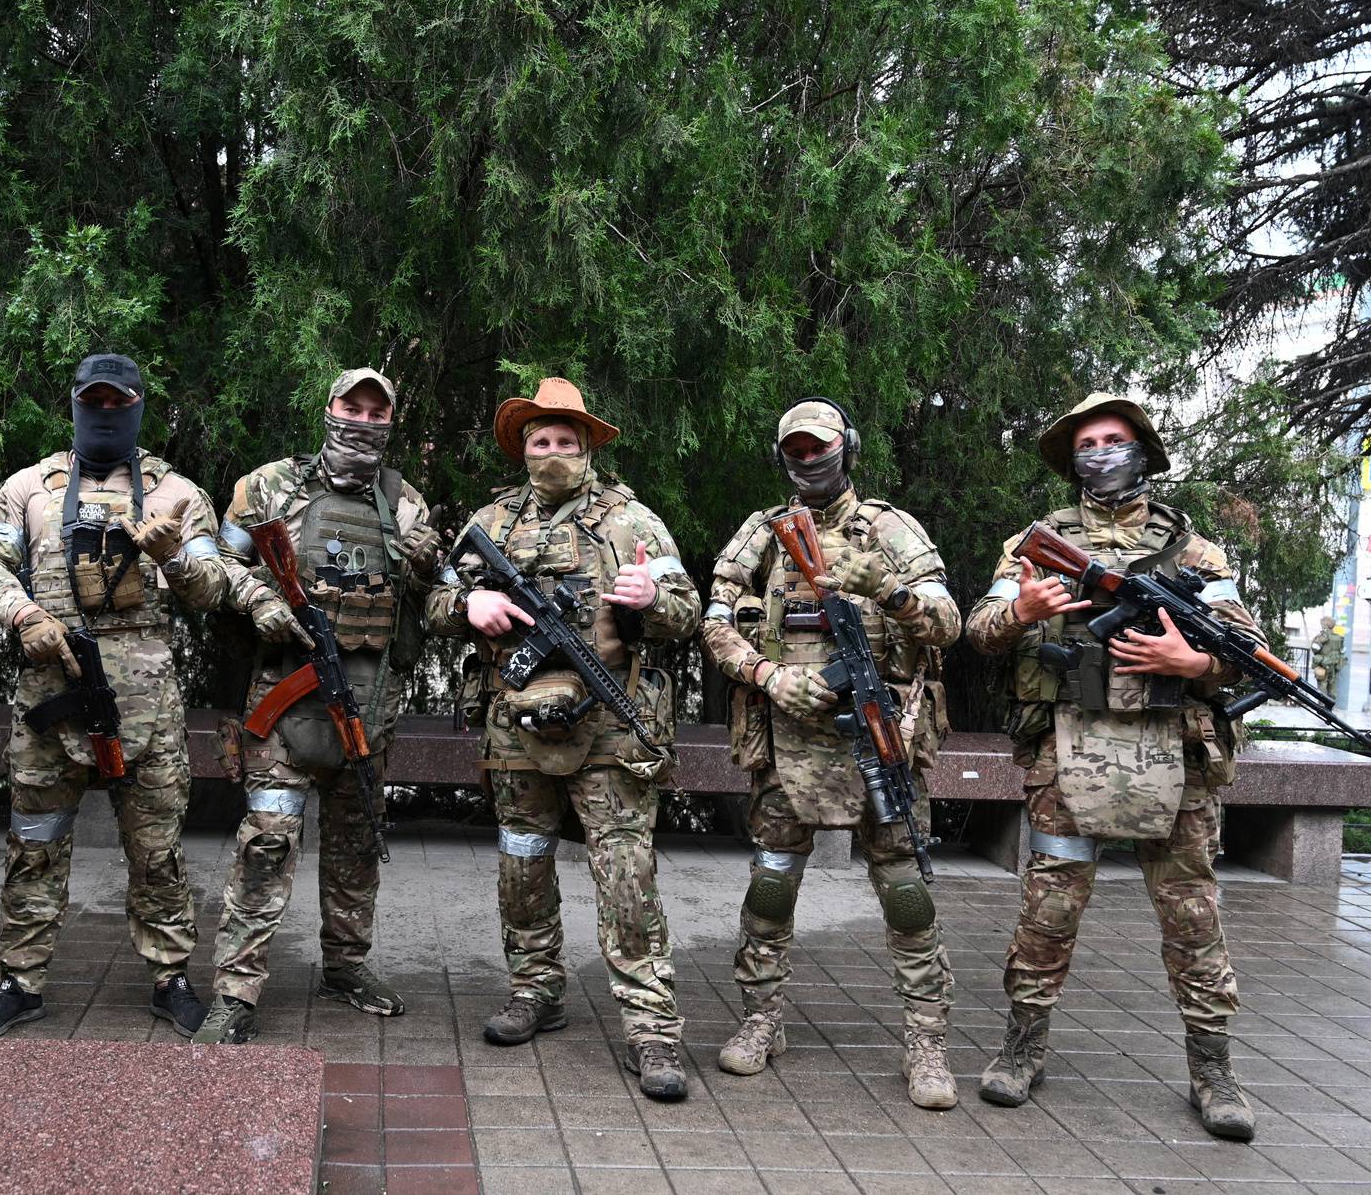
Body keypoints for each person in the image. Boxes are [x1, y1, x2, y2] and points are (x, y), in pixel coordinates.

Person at [968, 393, 1261, 1141]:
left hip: (1176, 756)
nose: (1100, 451)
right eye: (1087, 443)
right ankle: (1021, 1047)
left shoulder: (1197, 552)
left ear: (1144, 450)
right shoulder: (1036, 544)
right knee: (1050, 907)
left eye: (1113, 439)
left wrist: (1191, 659)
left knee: (1192, 915)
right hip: (1070, 751)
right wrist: (1024, 611)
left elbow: (1245, 653)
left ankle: (1213, 1069)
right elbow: (980, 630)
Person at [425, 377, 697, 1102]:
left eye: (565, 441)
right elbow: (436, 600)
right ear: (523, 448)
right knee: (523, 862)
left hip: (610, 723)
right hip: (517, 722)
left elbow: (688, 608)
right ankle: (535, 987)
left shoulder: (632, 520)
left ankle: (651, 1024)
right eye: (540, 441)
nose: (552, 452)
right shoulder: (490, 520)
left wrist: (652, 600)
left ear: (587, 447)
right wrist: (471, 599)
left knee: (625, 872)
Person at [700, 398, 961, 1109]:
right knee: (772, 883)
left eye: (820, 446)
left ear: (847, 446)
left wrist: (890, 590)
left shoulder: (890, 528)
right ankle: (761, 1019)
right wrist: (768, 674)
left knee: (906, 893)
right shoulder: (763, 533)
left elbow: (949, 622)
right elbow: (715, 620)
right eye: (796, 447)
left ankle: (928, 1041)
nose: (808, 458)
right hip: (788, 740)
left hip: (879, 735)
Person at [0, 354, 227, 1039]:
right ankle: (21, 980)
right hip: (50, 695)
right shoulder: (26, 488)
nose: (105, 413)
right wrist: (24, 615)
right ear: (75, 404)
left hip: (146, 708)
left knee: (156, 848)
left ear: (137, 405)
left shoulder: (178, 493)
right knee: (34, 843)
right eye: (93, 401)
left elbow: (213, 590)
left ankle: (170, 975)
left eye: (118, 402)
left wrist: (175, 558)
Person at [193, 368, 442, 1044]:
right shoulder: (269, 485)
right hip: (284, 710)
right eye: (350, 407)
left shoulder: (406, 503)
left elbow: (442, 603)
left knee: (357, 847)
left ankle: (346, 965)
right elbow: (216, 562)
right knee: (268, 844)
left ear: (389, 422)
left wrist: (426, 567)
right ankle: (235, 992)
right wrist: (262, 601)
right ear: (328, 409)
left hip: (368, 710)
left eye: (375, 412)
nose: (362, 421)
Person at [1311, 615, 1344, 695]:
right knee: (1332, 685)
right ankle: (1330, 705)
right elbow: (1342, 651)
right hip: (1333, 665)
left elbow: (1315, 648)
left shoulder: (1323, 636)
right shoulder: (1338, 637)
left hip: (1323, 664)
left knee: (1322, 685)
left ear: (1324, 625)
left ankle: (1321, 705)